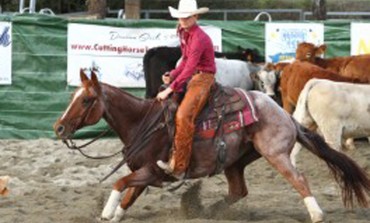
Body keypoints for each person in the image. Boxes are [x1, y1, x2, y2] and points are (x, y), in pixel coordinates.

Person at [156, 0, 216, 179]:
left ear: (195, 17)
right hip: (194, 76)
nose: (182, 20)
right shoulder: (184, 32)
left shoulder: (199, 37)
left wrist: (170, 88)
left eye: (186, 17)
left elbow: (190, 67)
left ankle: (179, 167)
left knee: (183, 116)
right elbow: (185, 60)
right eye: (180, 16)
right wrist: (173, 74)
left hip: (204, 78)